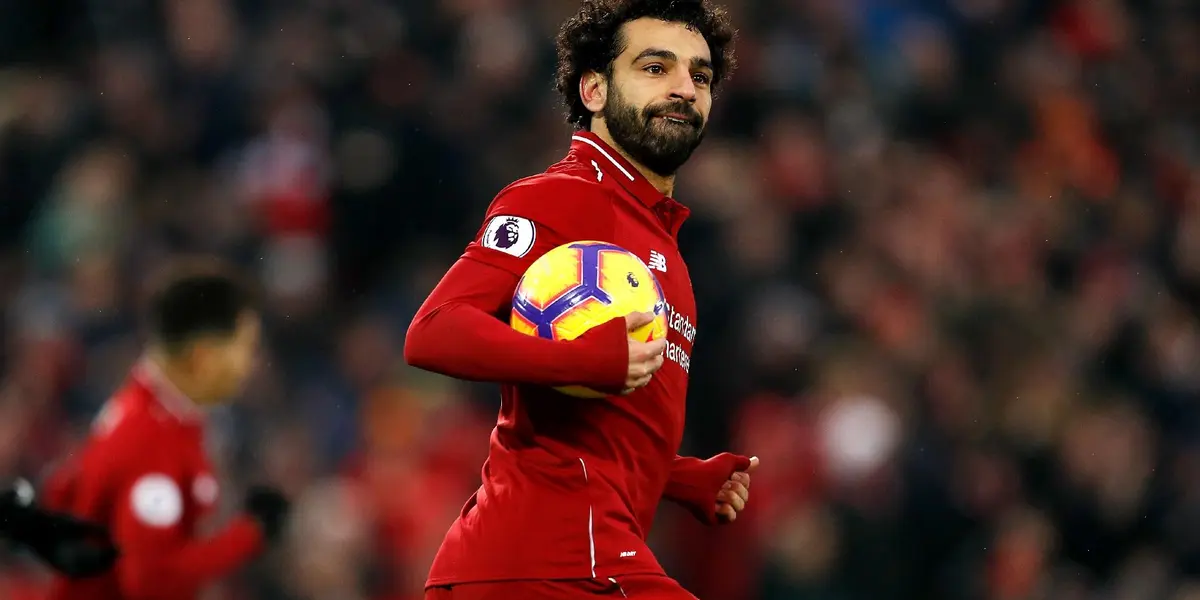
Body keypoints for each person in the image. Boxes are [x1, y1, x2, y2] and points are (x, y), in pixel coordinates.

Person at [404, 1, 758, 597]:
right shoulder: (562, 199)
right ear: (593, 89)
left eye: (700, 76)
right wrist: (580, 361)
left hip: (561, 560)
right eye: (655, 67)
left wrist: (671, 478)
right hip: (551, 561)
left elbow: (580, 433)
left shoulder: (659, 242)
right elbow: (433, 331)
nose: (683, 89)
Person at [41, 260, 291, 600]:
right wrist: (248, 535)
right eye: (245, 348)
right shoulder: (152, 441)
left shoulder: (151, 404)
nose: (251, 365)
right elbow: (150, 583)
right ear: (203, 357)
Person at [0, 478, 118, 578]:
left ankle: (114, 547)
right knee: (73, 554)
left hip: (44, 528)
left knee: (79, 532)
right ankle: (113, 555)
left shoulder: (7, 501)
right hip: (42, 535)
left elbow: (21, 493)